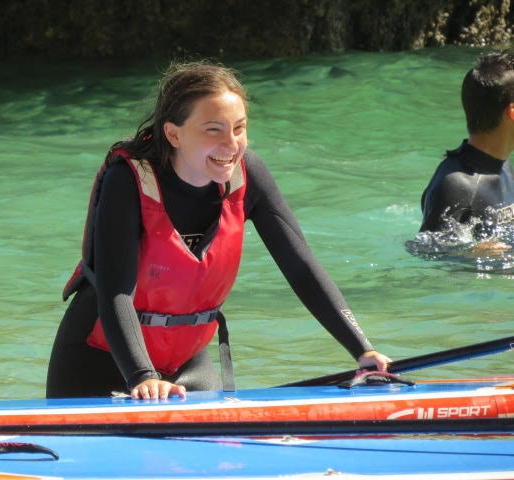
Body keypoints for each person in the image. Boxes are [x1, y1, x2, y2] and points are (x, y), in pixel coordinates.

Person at [46, 61, 390, 400]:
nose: (231, 144)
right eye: (214, 130)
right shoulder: (128, 181)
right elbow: (116, 292)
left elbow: (301, 267)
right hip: (99, 360)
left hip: (186, 365)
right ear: (174, 134)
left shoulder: (248, 174)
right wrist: (143, 377)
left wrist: (363, 350)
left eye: (239, 128)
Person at [419, 52, 514, 242]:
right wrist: (472, 252)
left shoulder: (504, 168)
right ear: (513, 112)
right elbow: (426, 250)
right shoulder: (456, 185)